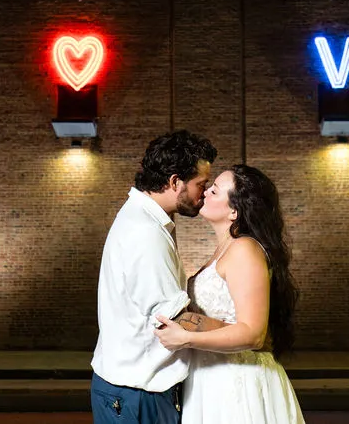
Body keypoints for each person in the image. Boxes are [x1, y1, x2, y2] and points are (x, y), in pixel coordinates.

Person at [154, 164, 305, 424]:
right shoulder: (225, 249)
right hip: (210, 379)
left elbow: (254, 333)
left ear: (234, 210)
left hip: (239, 382)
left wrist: (186, 338)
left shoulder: (245, 249)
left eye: (214, 191)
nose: (205, 192)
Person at [91, 129, 220, 424]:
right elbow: (172, 321)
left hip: (131, 390)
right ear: (175, 181)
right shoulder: (146, 233)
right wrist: (245, 334)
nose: (204, 193)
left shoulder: (144, 220)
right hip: (137, 393)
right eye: (201, 184)